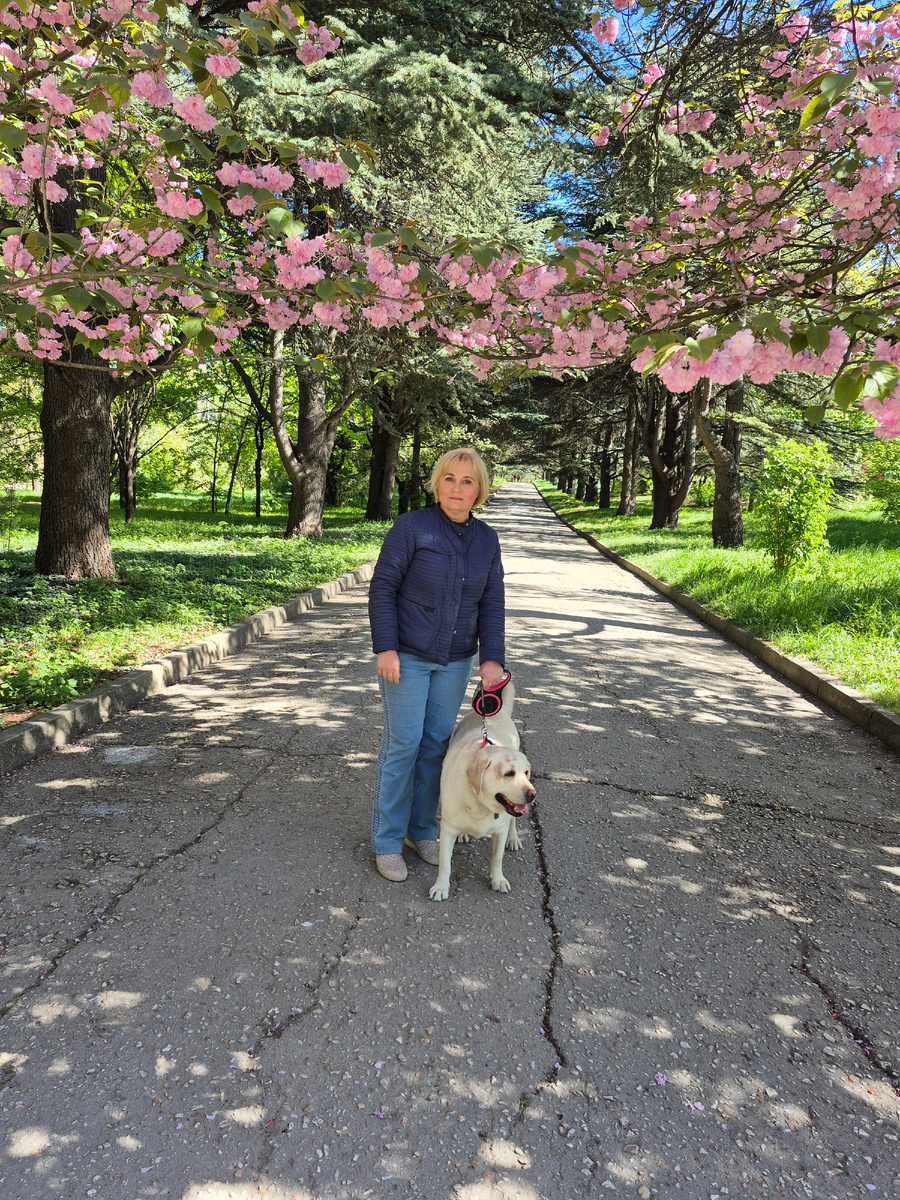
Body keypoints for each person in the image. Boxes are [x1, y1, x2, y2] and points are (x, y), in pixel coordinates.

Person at [367, 447, 506, 882]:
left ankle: (422, 830)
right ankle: (387, 841)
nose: (457, 489)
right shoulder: (411, 527)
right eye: (449, 479)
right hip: (406, 656)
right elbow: (382, 587)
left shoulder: (486, 540)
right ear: (437, 483)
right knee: (403, 745)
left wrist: (492, 657)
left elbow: (492, 602)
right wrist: (385, 647)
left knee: (434, 747)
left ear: (479, 489)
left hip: (456, 659)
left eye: (467, 481)